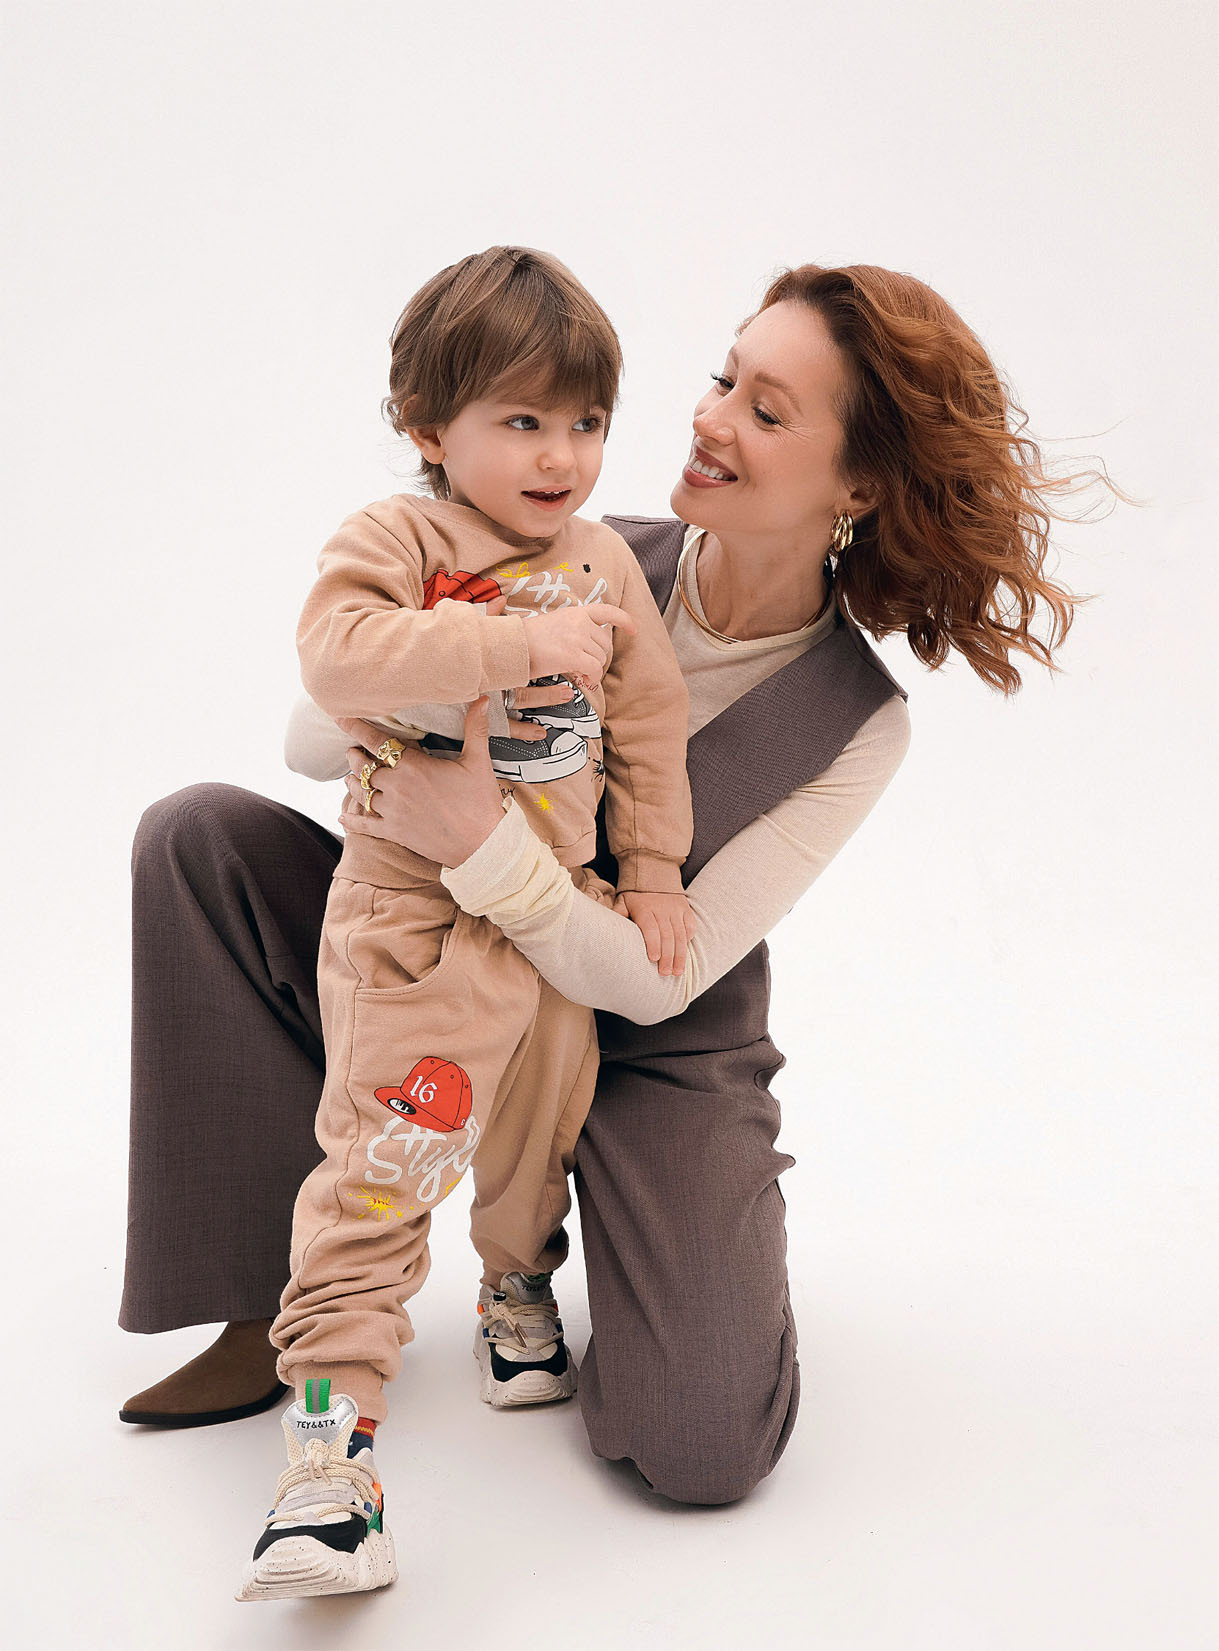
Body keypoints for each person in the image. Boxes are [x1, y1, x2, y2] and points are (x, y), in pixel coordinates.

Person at [121, 260, 1093, 1551]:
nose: (709, 418)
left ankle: (544, 1246)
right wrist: (469, 672)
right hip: (438, 943)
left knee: (702, 1442)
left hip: (655, 1030)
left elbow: (656, 976)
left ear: (856, 487)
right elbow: (315, 731)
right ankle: (284, 1302)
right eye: (722, 378)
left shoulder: (855, 724)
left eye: (767, 410)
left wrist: (485, 842)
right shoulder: (564, 548)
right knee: (198, 838)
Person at [230, 247, 698, 1601]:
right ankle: (329, 1462)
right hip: (415, 923)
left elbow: (649, 724)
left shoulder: (605, 563)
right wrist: (516, 648)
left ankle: (515, 1284)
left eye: (587, 421)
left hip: (551, 921)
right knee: (382, 1163)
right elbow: (337, 659)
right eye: (523, 419)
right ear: (430, 428)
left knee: (541, 1130)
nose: (562, 455)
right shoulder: (400, 541)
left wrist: (653, 869)